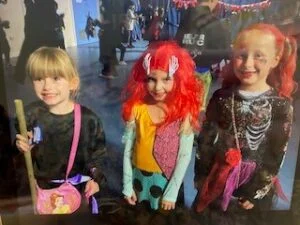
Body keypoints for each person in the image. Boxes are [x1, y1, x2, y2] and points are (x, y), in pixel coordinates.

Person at [193, 23, 297, 225]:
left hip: (253, 190)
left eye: (259, 55)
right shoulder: (221, 98)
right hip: (217, 181)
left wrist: (254, 192)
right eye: (242, 55)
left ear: (275, 59)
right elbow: (204, 142)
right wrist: (201, 177)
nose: (248, 63)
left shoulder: (281, 106)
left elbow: (277, 153)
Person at [15, 47, 106, 213]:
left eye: (56, 78)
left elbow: (98, 154)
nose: (47, 86)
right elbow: (20, 147)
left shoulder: (89, 120)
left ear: (73, 83)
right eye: (39, 79)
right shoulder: (29, 116)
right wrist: (22, 146)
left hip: (77, 189)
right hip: (43, 191)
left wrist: (96, 179)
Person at [121, 41, 204, 211]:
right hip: (139, 181)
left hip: (168, 185)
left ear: (179, 80)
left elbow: (184, 156)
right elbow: (128, 151)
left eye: (166, 79)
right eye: (151, 79)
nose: (158, 87)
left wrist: (172, 193)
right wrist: (127, 185)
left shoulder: (183, 114)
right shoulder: (137, 108)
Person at [175, 0, 231, 110]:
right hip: (202, 73)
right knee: (195, 109)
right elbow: (224, 51)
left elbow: (177, 43)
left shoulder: (185, 18)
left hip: (182, 71)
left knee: (179, 106)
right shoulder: (216, 23)